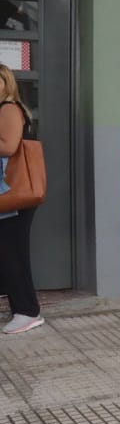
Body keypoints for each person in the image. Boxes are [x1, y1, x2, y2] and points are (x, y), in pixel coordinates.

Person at [0, 64, 44, 335]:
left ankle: (28, 311)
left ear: (6, 83)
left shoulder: (8, 108)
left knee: (13, 252)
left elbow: (8, 146)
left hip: (14, 194)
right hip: (7, 193)